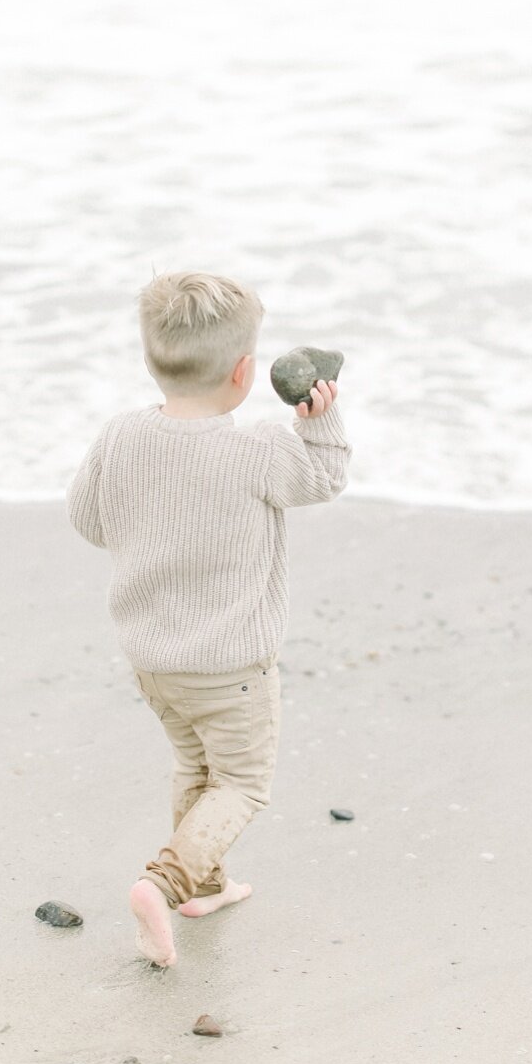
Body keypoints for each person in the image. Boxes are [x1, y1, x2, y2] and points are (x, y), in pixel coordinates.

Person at [67, 262, 351, 965]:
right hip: (231, 666)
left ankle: (204, 882)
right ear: (246, 371)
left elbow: (87, 521)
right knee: (243, 782)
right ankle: (163, 884)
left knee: (195, 764)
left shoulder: (120, 437)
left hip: (153, 660)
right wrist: (320, 421)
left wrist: (149, 524)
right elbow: (326, 477)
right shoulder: (257, 448)